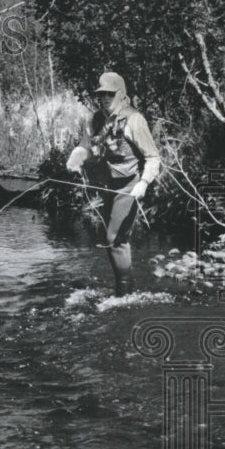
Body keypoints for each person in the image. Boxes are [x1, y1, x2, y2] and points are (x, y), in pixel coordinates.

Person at [66, 72, 161, 296]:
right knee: (111, 238)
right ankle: (124, 289)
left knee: (115, 238)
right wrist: (76, 158)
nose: (105, 98)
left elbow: (153, 157)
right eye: (101, 94)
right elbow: (86, 146)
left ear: (120, 94)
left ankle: (125, 291)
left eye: (110, 93)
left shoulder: (135, 120)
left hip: (131, 184)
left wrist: (145, 182)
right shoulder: (97, 119)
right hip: (108, 183)